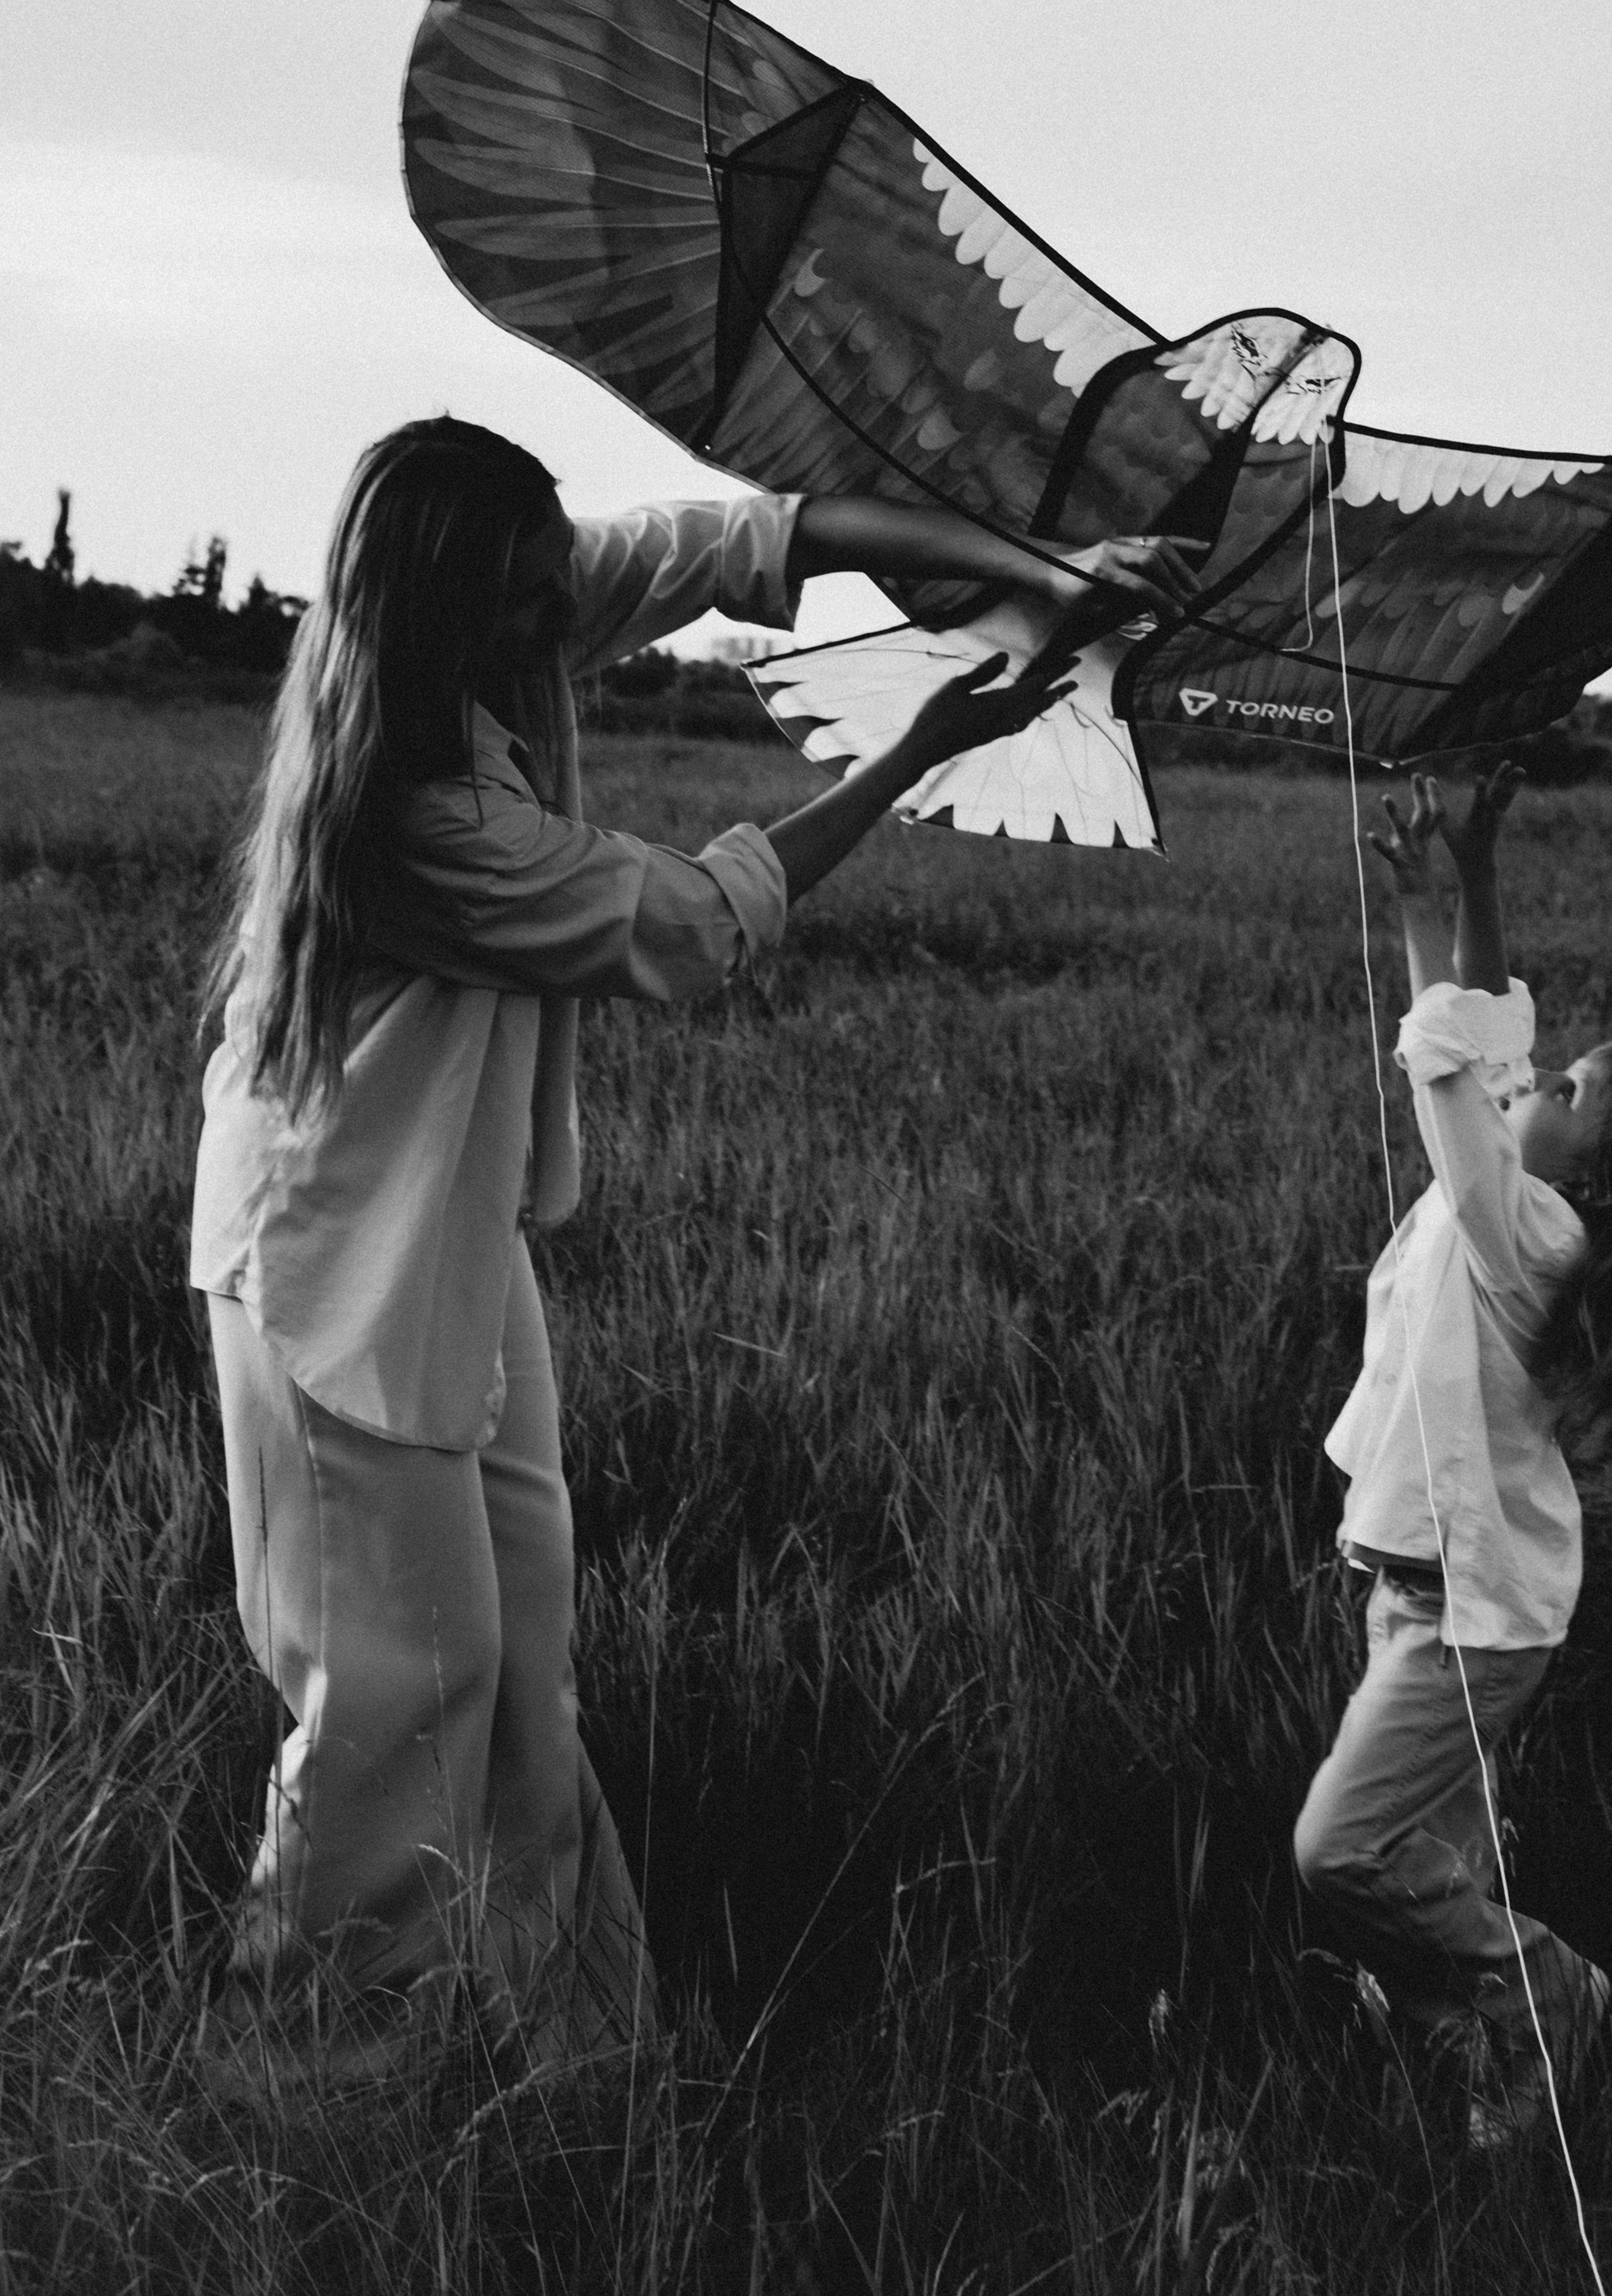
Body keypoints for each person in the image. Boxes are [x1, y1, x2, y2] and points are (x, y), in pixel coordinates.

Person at [190, 414, 1190, 2096]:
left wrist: (1042, 571)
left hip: (446, 1237)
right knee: (395, 1694)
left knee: (518, 1671)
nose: (556, 621)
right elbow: (689, 923)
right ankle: (295, 2091)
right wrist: (919, 747)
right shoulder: (420, 813)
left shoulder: (488, 637)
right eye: (524, 602)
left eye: (551, 582)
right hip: (328, 1270)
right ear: (446, 608)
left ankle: (572, 2061)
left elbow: (754, 537)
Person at [1293, 764, 1612, 2151]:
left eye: (1567, 1087)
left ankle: (1544, 1993)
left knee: (1342, 1851)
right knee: (1432, 1850)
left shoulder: (1532, 1233)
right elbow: (1478, 1051)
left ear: (1587, 1175)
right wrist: (1456, 888)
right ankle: (1473, 2050)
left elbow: (1450, 1065)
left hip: (1466, 1615)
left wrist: (1430, 921)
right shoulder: (1520, 1203)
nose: (1537, 1079)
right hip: (1428, 1588)